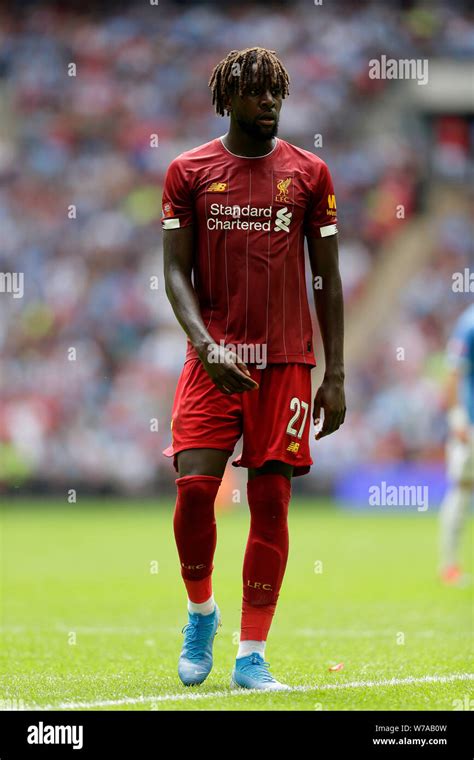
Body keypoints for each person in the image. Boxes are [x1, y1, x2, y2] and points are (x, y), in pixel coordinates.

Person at [162, 47, 346, 690]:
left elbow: (327, 277)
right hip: (212, 361)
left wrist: (336, 373)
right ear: (227, 99)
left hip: (287, 364)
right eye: (255, 92)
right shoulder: (188, 171)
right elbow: (173, 275)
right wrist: (207, 345)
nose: (269, 101)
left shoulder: (310, 173)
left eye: (275, 92)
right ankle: (200, 612)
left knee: (271, 503)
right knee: (193, 492)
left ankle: (250, 655)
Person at [439, 304, 474, 585]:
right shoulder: (469, 323)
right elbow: (452, 374)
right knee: (462, 488)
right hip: (471, 424)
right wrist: (457, 418)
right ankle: (449, 565)